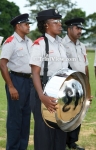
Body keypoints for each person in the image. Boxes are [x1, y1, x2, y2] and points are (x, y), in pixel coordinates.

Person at [29, 9, 68, 150]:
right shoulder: (39, 44)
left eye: (60, 21)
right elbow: (35, 72)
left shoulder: (61, 45)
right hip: (43, 91)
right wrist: (41, 96)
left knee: (60, 134)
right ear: (46, 25)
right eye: (55, 22)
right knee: (44, 136)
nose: (60, 24)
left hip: (60, 93)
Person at [0, 13, 33, 150]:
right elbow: (2, 64)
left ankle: (22, 147)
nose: (29, 26)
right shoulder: (11, 42)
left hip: (29, 82)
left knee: (25, 119)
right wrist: (11, 86)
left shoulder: (29, 42)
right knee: (15, 119)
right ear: (18, 26)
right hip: (16, 81)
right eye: (26, 24)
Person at [62, 17, 89, 150]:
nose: (80, 31)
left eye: (81, 29)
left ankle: (72, 142)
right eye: (77, 28)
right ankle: (63, 142)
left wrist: (87, 86)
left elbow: (85, 67)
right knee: (66, 113)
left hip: (81, 83)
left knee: (78, 113)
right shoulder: (62, 44)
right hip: (68, 83)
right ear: (69, 29)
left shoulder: (82, 46)